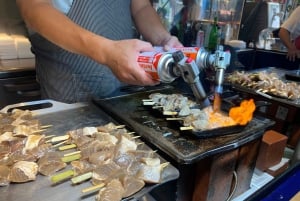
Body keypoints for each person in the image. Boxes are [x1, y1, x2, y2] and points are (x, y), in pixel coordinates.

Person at [16, 0, 183, 103]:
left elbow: (141, 7)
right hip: (69, 90)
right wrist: (107, 52)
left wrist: (163, 40)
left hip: (123, 91)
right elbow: (34, 8)